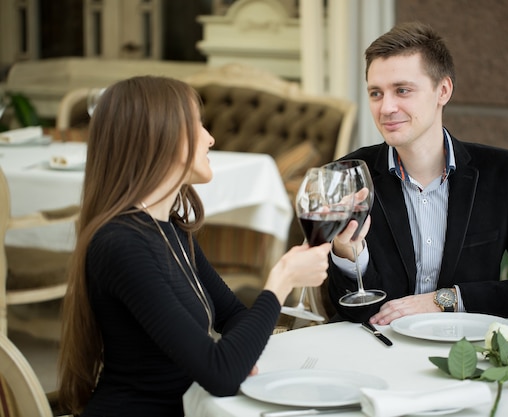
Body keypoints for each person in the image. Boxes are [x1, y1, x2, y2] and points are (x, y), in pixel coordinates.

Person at [57, 76, 332, 416]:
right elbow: (220, 375)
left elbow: (232, 317)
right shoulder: (120, 244)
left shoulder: (171, 230)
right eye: (197, 125)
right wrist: (282, 281)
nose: (210, 138)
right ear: (159, 136)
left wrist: (238, 354)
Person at [327, 21, 508, 324]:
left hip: (468, 351)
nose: (386, 107)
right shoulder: (350, 176)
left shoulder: (503, 174)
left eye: (402, 90)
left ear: (442, 91)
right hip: (382, 349)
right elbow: (348, 311)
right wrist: (347, 253)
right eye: (376, 93)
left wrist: (448, 300)